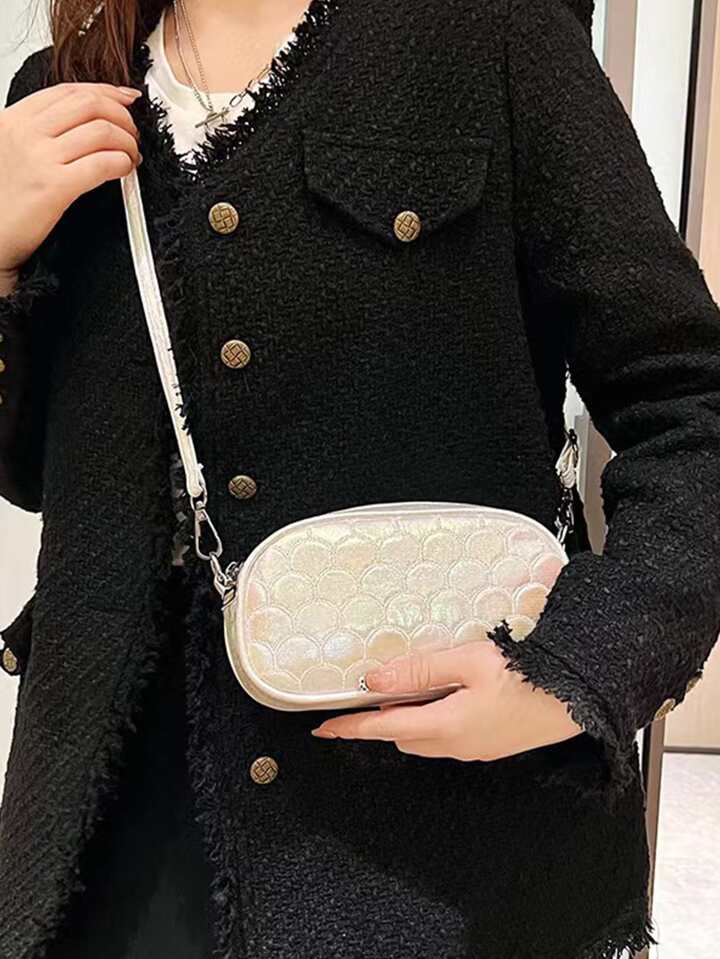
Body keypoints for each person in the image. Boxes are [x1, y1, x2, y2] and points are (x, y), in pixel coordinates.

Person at [1, 1, 719, 956]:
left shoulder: (492, 36)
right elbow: (32, 471)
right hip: (103, 842)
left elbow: (689, 399)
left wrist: (577, 666)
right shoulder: (63, 94)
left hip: (434, 846)